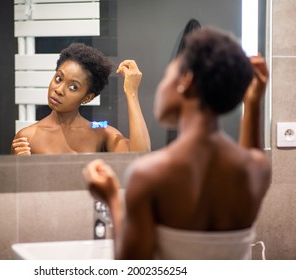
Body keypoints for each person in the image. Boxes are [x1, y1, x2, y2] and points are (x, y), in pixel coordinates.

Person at [83, 27, 271, 259]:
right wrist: (253, 103)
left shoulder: (150, 174)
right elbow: (251, 156)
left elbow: (130, 266)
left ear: (186, 81)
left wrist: (111, 198)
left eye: (167, 75)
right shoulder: (255, 170)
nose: (161, 87)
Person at [11, 43, 151, 154]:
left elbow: (140, 157)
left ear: (87, 97)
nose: (59, 90)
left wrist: (131, 92)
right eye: (58, 79)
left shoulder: (98, 130)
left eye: (73, 87)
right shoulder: (27, 137)